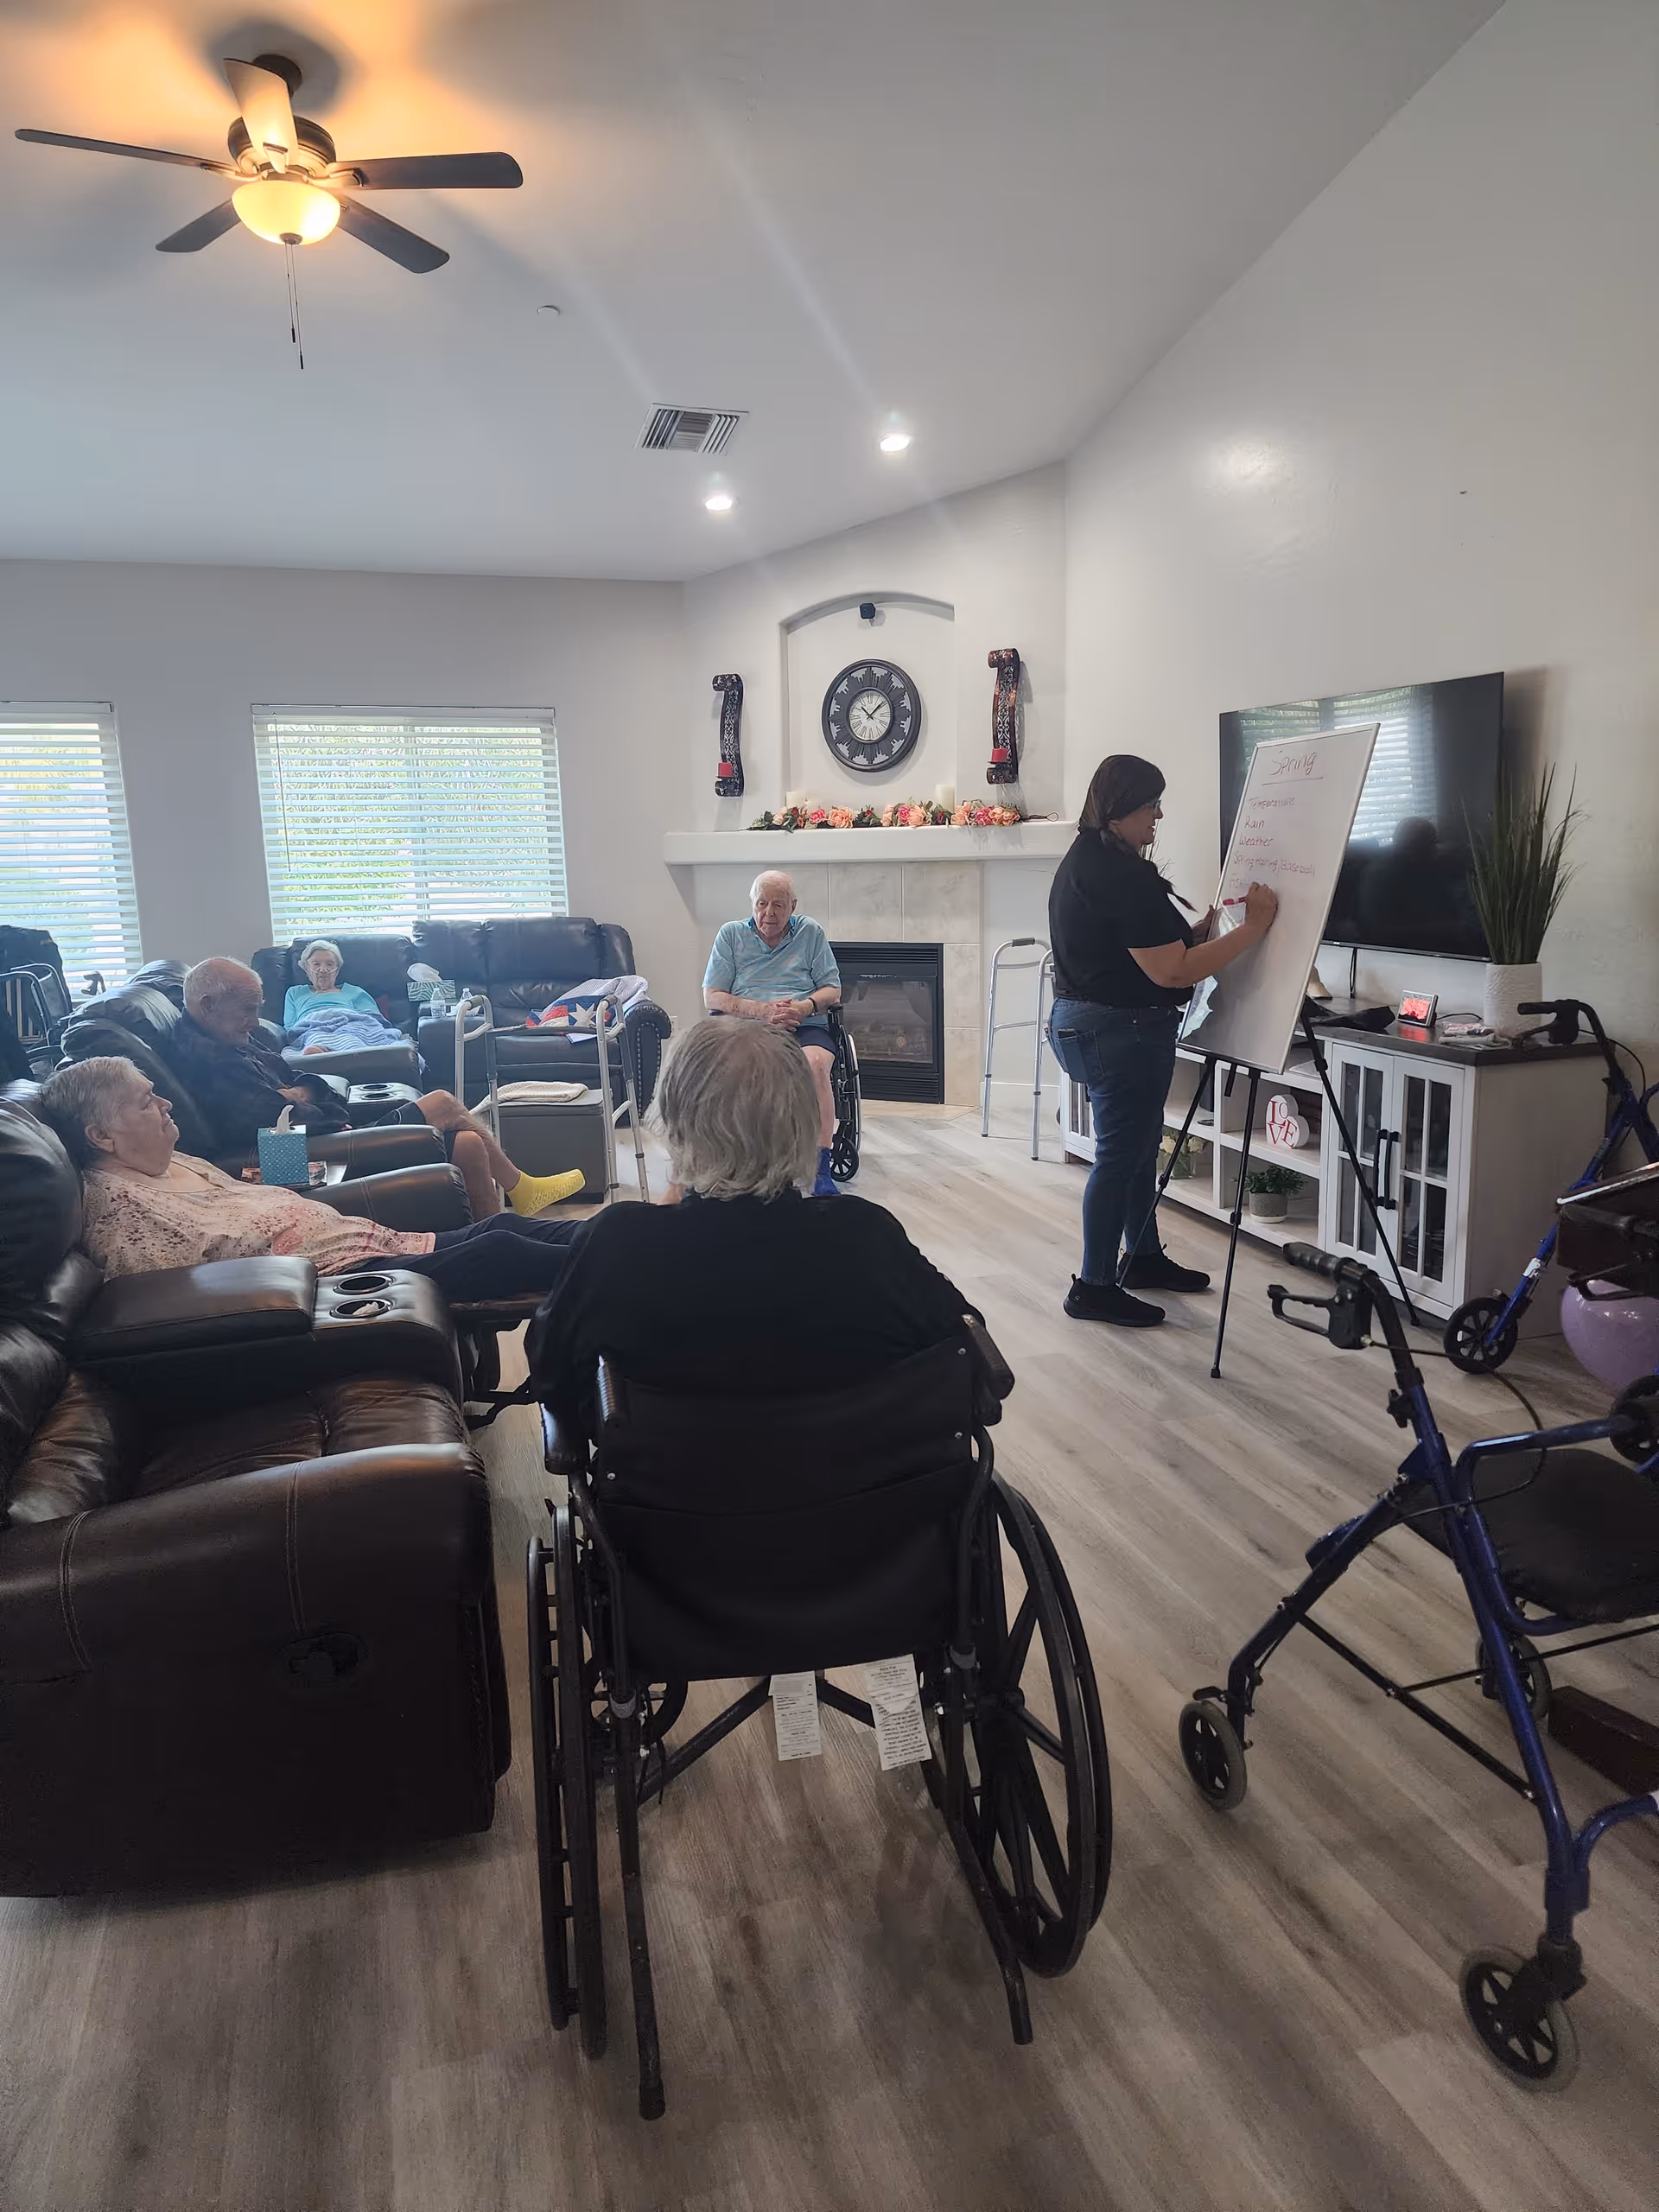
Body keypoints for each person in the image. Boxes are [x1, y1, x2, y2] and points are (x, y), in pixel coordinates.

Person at [529, 1017, 969, 1437]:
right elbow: (965, 1350)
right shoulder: (868, 1236)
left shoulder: (617, 1242)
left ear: (677, 1123)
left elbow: (552, 1377)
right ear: (804, 1122)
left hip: (666, 1504)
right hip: (868, 1503)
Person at [1047, 753, 1279, 1330]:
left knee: (1135, 1151)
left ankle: (1142, 1256)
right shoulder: (1119, 874)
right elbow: (1172, 972)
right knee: (1120, 1157)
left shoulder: (1092, 859)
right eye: (1151, 805)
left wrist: (1202, 930)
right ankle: (1093, 1286)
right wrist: (1253, 930)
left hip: (1090, 1022)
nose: (1158, 816)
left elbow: (1148, 943)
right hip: (1117, 1029)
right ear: (1120, 810)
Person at [40, 1058, 584, 1302]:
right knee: (503, 1250)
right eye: (145, 1102)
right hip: (336, 1285)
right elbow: (162, 1302)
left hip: (370, 1243)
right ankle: (646, 1250)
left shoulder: (177, 1163)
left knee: (503, 1232)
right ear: (102, 1136)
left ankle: (643, 1231)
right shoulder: (119, 1207)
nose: (165, 1103)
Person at [165, 957, 582, 1220]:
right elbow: (275, 1117)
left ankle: (496, 1242)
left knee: (469, 1146)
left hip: (326, 1133)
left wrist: (302, 1095)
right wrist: (306, 1103)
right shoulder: (207, 1059)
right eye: (248, 1010)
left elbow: (299, 1084)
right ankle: (523, 1189)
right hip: (319, 1154)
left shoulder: (230, 1037)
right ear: (208, 1005)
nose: (256, 1021)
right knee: (442, 1103)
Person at [703, 872, 842, 1198]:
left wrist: (805, 1006)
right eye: (761, 904)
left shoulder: (810, 932)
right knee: (741, 1071)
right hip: (748, 1026)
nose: (769, 913)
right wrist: (762, 1011)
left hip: (804, 1024)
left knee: (816, 1065)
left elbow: (832, 990)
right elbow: (713, 996)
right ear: (752, 904)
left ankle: (820, 1164)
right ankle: (741, 1159)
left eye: (778, 905)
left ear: (793, 906)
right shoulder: (731, 935)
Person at [282, 938, 408, 1054]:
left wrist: (343, 1020)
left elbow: (373, 1019)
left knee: (351, 1034)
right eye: (316, 964)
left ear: (336, 970)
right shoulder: (295, 993)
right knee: (315, 1036)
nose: (323, 969)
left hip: (350, 1025)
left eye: (330, 964)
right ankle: (322, 1051)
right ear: (306, 968)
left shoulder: (354, 992)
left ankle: (340, 1053)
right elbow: (291, 1027)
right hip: (312, 1028)